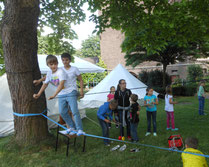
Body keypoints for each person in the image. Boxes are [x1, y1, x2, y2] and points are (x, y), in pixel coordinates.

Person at [33, 54, 85, 136]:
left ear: (57, 63)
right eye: (51, 64)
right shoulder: (49, 73)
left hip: (71, 91)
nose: (54, 66)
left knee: (74, 111)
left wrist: (54, 95)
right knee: (62, 112)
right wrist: (38, 93)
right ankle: (72, 127)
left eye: (55, 64)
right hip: (61, 94)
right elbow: (45, 83)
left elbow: (61, 84)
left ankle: (80, 129)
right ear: (48, 65)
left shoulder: (61, 71)